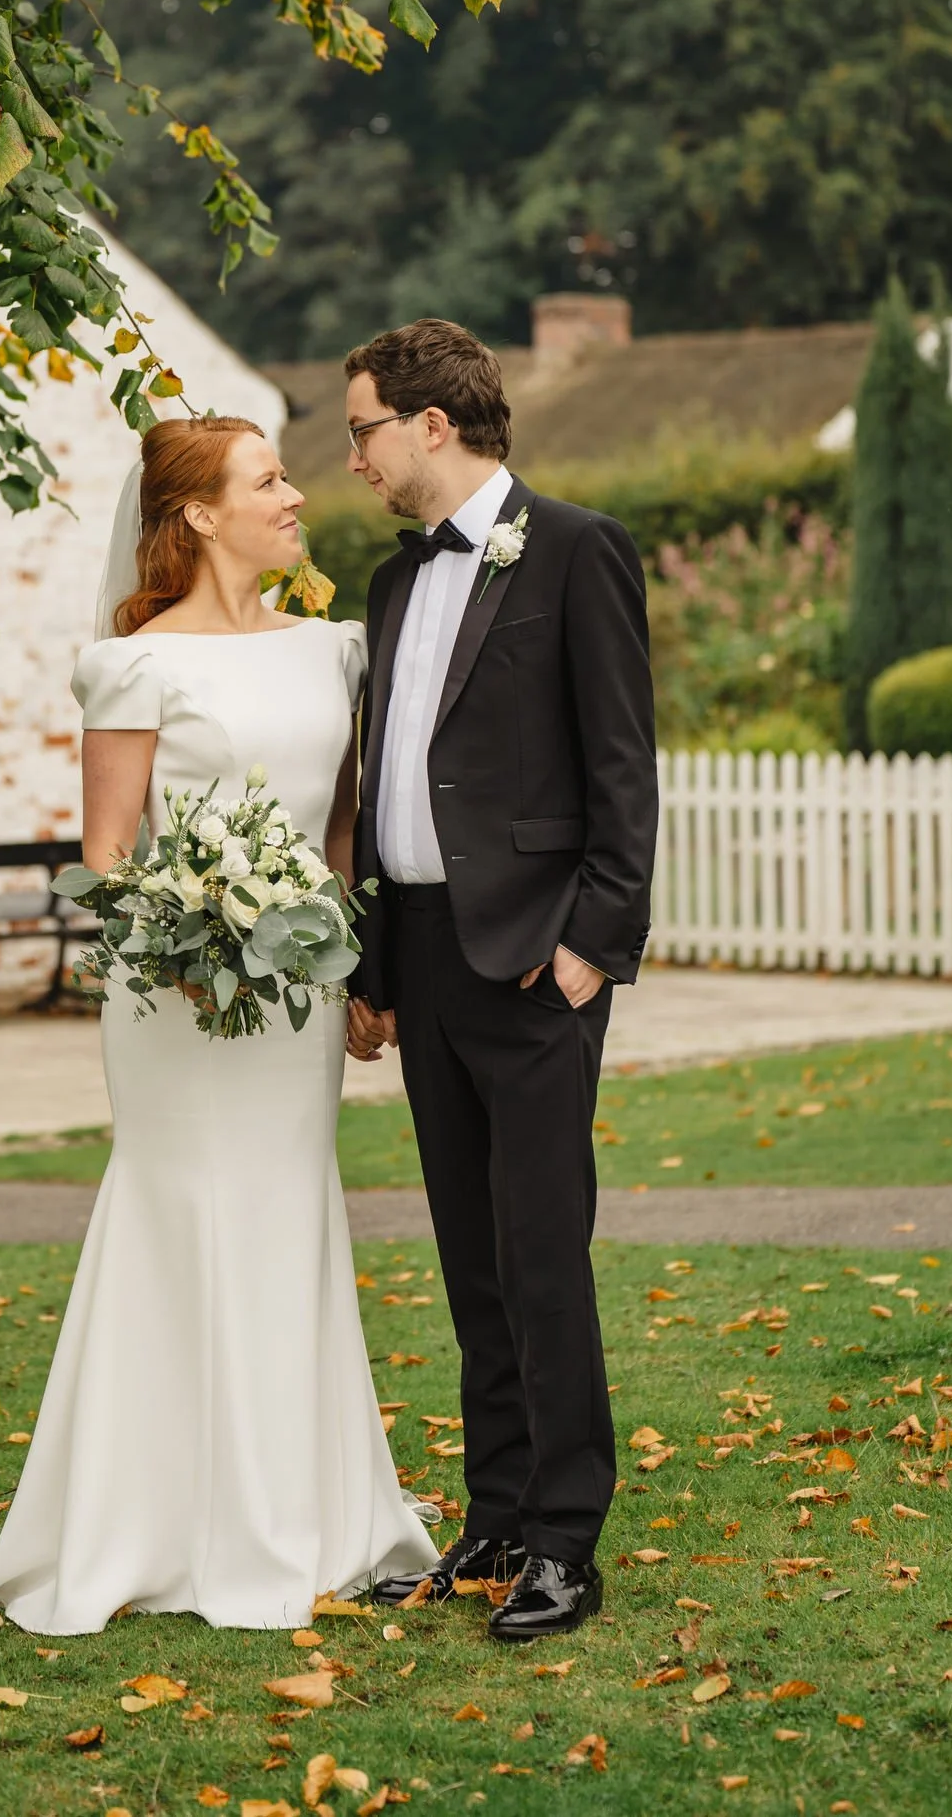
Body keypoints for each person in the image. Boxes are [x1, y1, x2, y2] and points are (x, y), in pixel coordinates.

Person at [0, 414, 436, 1634]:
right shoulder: (137, 667)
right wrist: (186, 946)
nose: (296, 494)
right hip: (174, 999)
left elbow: (340, 833)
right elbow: (109, 855)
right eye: (268, 480)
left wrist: (351, 967)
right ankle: (149, 1522)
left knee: (289, 1215)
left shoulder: (333, 652)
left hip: (296, 999)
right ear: (203, 514)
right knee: (175, 1216)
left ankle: (309, 1512)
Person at [343, 319, 658, 1641]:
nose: (352, 456)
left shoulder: (576, 548)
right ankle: (497, 1520)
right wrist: (372, 961)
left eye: (362, 428)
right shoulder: (392, 580)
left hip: (535, 962)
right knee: (471, 1258)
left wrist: (592, 944)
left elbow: (623, 765)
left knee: (540, 1254)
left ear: (432, 422)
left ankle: (567, 1544)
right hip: (422, 955)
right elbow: (384, 780)